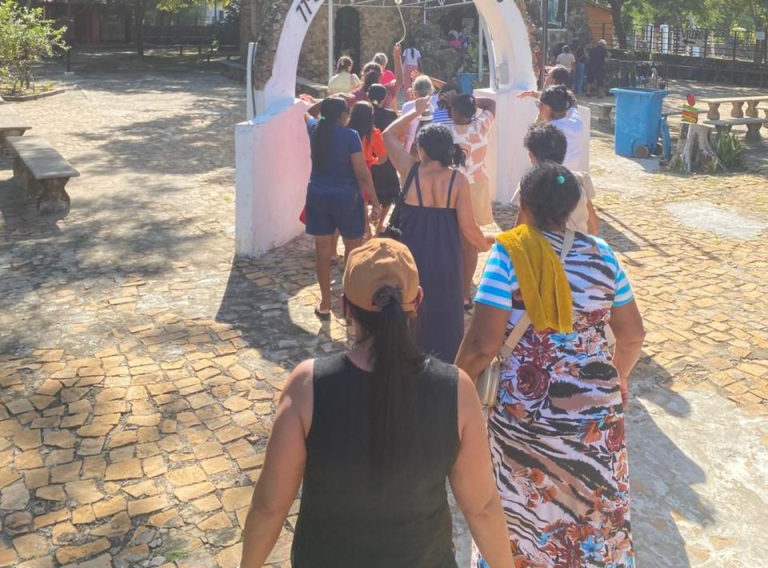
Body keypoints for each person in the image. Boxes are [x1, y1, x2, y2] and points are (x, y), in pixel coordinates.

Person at [241, 237, 516, 568]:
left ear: (345, 308)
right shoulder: (456, 390)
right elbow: (481, 507)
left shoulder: (307, 387)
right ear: (418, 301)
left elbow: (270, 507)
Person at [457, 163, 645, 568]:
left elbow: (482, 343)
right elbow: (632, 336)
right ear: (574, 206)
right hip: (596, 418)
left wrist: (454, 387)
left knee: (522, 510)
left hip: (527, 416)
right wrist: (619, 378)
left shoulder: (509, 254)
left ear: (524, 205)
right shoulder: (603, 254)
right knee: (592, 514)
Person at [383, 101, 490, 362]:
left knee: (410, 303)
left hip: (410, 252)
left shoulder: (409, 170)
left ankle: (406, 356)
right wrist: (483, 244)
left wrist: (417, 111)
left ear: (421, 149)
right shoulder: (457, 179)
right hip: (446, 254)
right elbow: (467, 226)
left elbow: (387, 134)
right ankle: (443, 362)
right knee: (445, 309)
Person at [304, 96, 381, 319]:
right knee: (352, 251)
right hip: (347, 198)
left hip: (318, 195)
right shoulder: (350, 136)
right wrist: (375, 202)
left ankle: (325, 303)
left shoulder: (315, 130)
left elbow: (307, 112)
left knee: (322, 252)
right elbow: (362, 173)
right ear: (342, 116)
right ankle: (349, 302)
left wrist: (327, 100)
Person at [450, 93, 497, 308]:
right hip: (477, 186)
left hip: (453, 187)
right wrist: (470, 102)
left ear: (453, 111)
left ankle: (454, 284)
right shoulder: (481, 126)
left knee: (454, 237)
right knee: (469, 240)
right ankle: (465, 292)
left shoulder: (447, 132)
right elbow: (491, 103)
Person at [512, 122, 599, 234]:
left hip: (542, 244)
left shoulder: (528, 185)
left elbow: (519, 230)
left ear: (531, 156)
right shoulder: (580, 180)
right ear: (563, 153)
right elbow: (593, 227)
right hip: (576, 243)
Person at [349, 101, 387, 239]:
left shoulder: (345, 130)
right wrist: (371, 162)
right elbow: (383, 158)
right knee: (363, 201)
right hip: (364, 166)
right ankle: (366, 230)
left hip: (346, 167)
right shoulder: (373, 133)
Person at [367, 83, 400, 228]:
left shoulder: (363, 114)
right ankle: (380, 224)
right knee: (388, 195)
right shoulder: (391, 116)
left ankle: (368, 222)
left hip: (367, 159)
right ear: (384, 97)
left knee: (366, 194)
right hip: (386, 158)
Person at [537, 84, 585, 169]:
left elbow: (532, 138)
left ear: (546, 107)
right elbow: (573, 102)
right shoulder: (576, 120)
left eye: (539, 105)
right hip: (572, 173)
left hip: (553, 175)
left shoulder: (548, 131)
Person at [400, 74, 439, 152]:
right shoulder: (437, 102)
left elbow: (403, 133)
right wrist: (429, 77)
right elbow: (448, 87)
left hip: (411, 149)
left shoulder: (407, 107)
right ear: (431, 89)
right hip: (433, 150)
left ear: (414, 91)